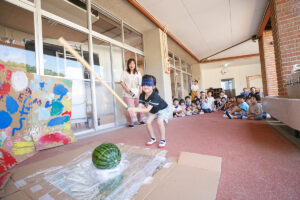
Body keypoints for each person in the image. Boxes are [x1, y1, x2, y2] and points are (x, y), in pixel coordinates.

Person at [128, 75, 169, 148]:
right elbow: (139, 107)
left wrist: (134, 109)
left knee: (159, 122)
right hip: (153, 110)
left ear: (153, 86)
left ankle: (163, 139)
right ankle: (153, 138)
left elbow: (147, 110)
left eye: (148, 84)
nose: (146, 86)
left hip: (162, 109)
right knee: (147, 122)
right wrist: (133, 110)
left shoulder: (155, 96)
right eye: (144, 84)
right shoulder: (142, 95)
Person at [120, 58, 143, 128]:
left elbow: (140, 83)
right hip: (128, 93)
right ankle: (130, 123)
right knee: (129, 109)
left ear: (135, 65)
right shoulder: (125, 72)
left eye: (133, 63)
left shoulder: (138, 73)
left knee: (139, 107)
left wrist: (140, 90)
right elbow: (121, 82)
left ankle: (140, 120)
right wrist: (126, 88)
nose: (131, 65)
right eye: (130, 63)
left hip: (137, 93)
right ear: (128, 65)